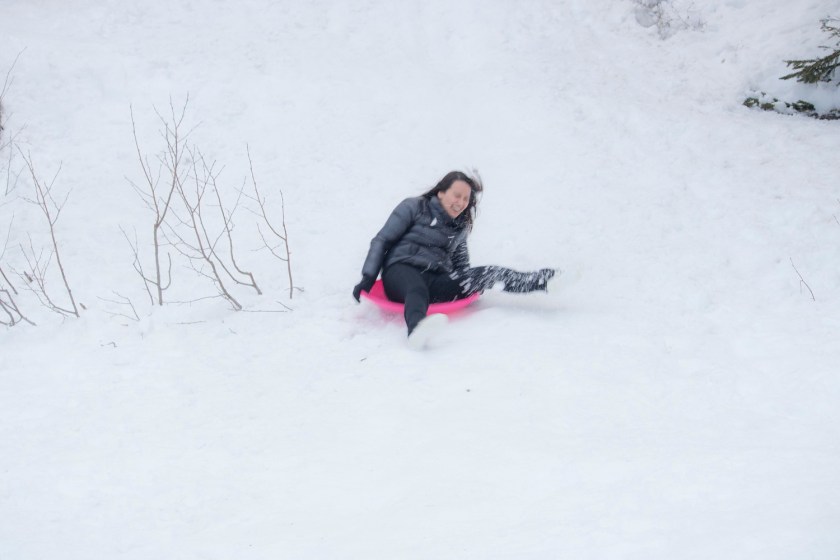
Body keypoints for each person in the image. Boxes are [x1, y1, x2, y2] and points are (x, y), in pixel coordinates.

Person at [353, 170, 556, 342]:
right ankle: (416, 330)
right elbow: (382, 240)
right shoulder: (414, 207)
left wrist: (470, 284)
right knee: (416, 288)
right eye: (457, 195)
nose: (461, 203)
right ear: (441, 192)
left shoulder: (459, 227)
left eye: (466, 199)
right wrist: (368, 277)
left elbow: (461, 265)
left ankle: (542, 281)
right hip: (401, 271)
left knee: (489, 273)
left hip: (435, 278)